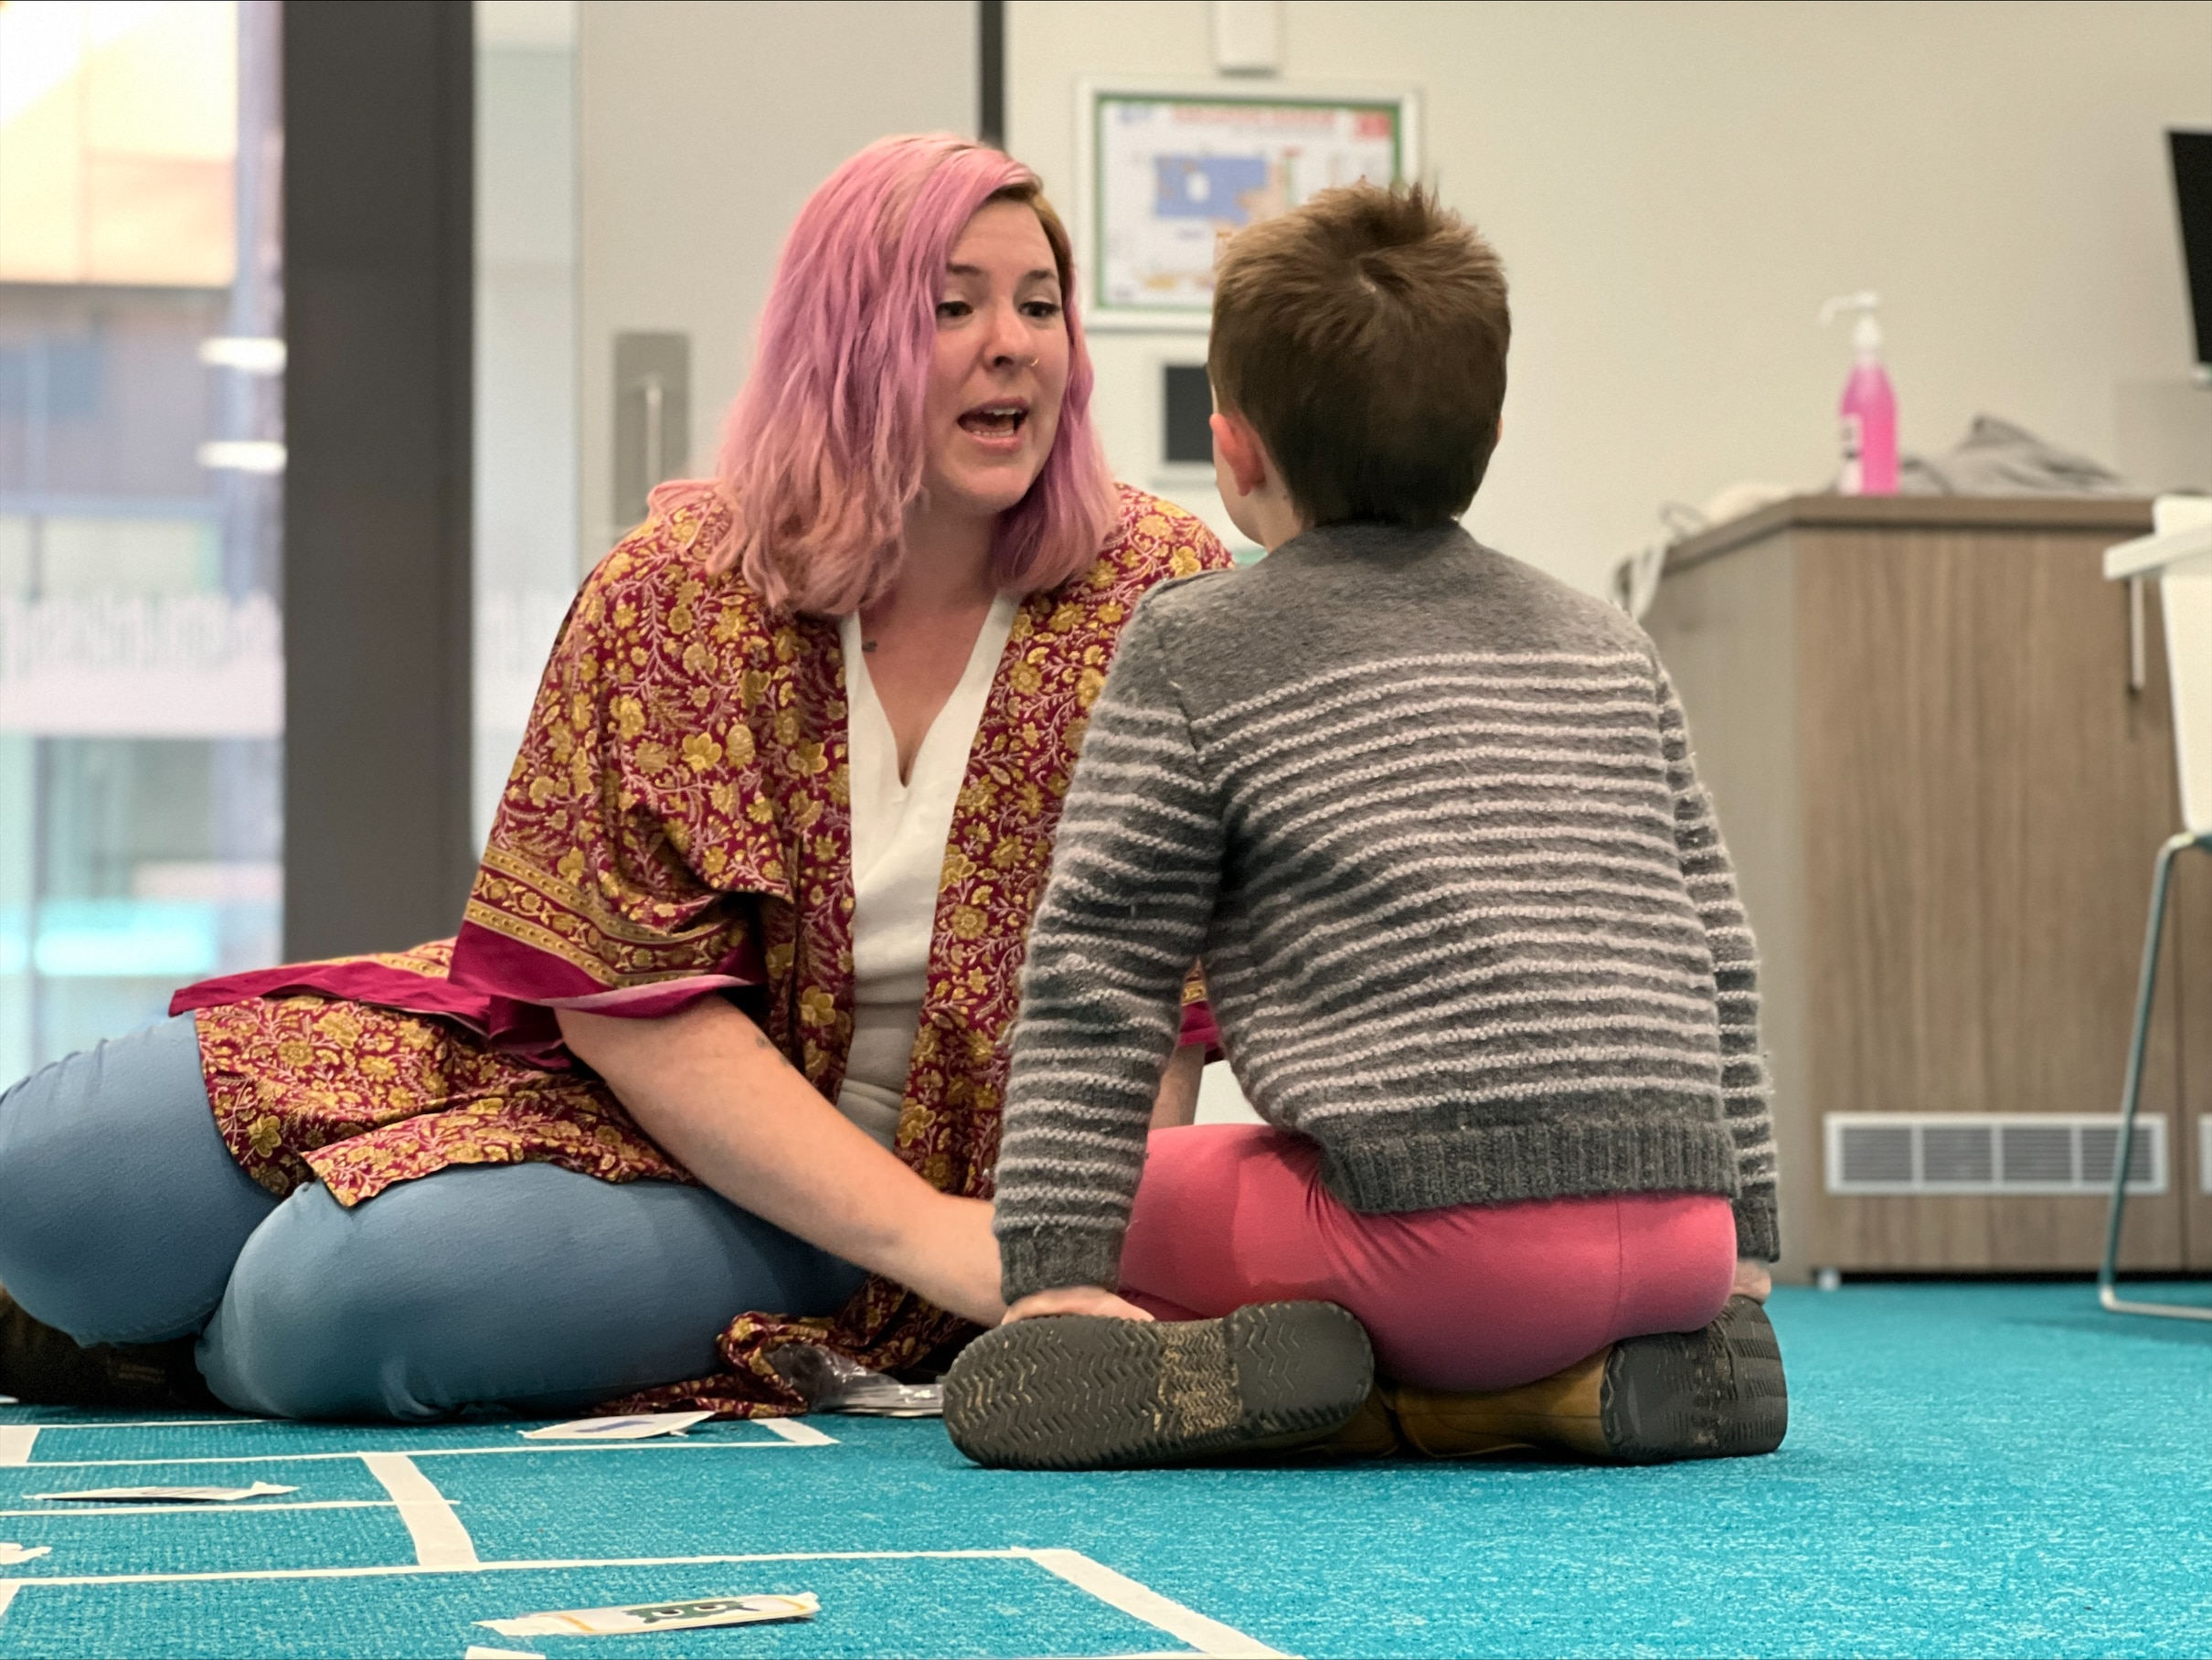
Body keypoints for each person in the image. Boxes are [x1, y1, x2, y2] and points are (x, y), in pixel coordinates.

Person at [0, 134, 1228, 1421]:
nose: (1015, 342)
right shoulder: (680, 584)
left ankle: (165, 1353)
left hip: (888, 1203)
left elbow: (1162, 998)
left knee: (331, 1306)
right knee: (55, 1178)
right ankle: (144, 1308)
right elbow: (625, 1003)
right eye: (952, 306)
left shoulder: (1157, 594)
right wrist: (941, 1237)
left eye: (1041, 304)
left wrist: (1044, 1259)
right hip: (620, 1078)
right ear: (846, 337)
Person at [943, 182, 1787, 1471]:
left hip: (1441, 1258)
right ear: (1491, 429)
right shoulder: (1608, 642)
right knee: (1424, 1218)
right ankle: (1554, 1394)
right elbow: (1719, 957)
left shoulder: (1193, 644)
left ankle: (1342, 1392)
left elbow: (1099, 969)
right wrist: (1747, 1251)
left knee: (1155, 1193)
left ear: (1234, 449)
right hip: (1685, 1246)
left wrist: (1054, 1277)